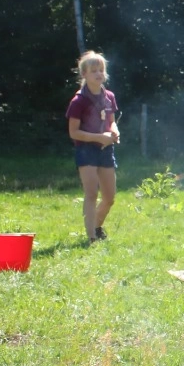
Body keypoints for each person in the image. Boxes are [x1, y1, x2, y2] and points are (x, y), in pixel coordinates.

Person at [65, 51, 119, 242]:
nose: (98, 74)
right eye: (94, 70)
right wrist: (98, 137)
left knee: (110, 197)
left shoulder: (109, 96)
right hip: (86, 150)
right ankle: (91, 237)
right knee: (91, 193)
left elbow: (112, 121)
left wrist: (114, 132)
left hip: (106, 150)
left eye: (101, 70)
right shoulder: (78, 101)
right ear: (84, 75)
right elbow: (74, 133)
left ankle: (96, 227)